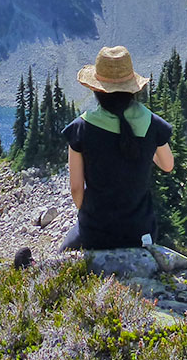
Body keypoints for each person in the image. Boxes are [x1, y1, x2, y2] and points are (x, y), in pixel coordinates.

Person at [59, 45, 174, 251]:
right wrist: (147, 150)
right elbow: (167, 165)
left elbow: (76, 188)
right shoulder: (152, 122)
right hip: (141, 233)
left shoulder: (80, 128)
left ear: (97, 89)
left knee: (61, 255)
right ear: (132, 88)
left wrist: (90, 219)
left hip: (96, 233)